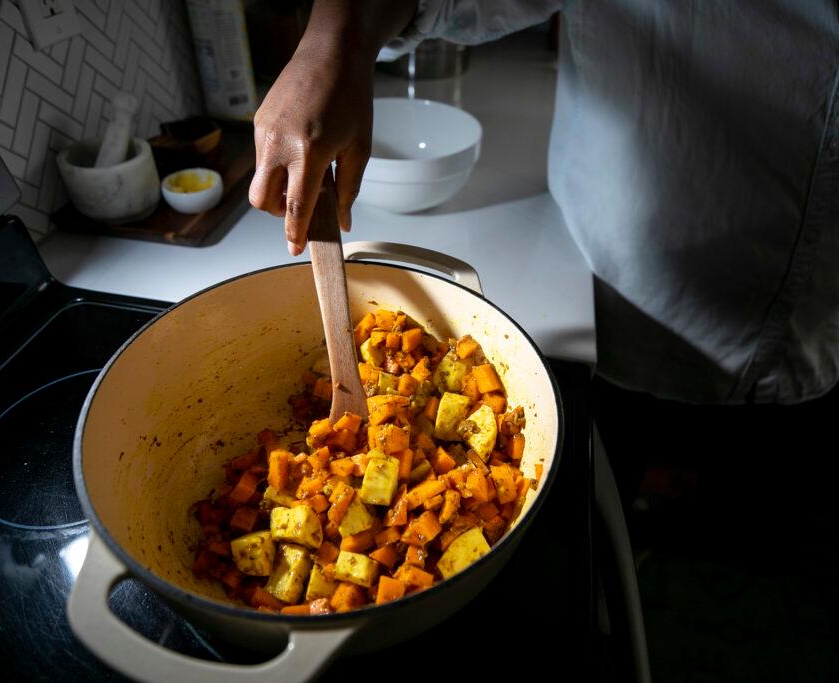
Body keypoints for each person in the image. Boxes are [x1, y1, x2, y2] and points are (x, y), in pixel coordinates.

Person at [249, 5, 839, 678]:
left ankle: (707, 533)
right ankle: (657, 521)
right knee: (623, 428)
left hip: (799, 222)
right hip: (615, 193)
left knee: (757, 483)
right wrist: (335, 38)